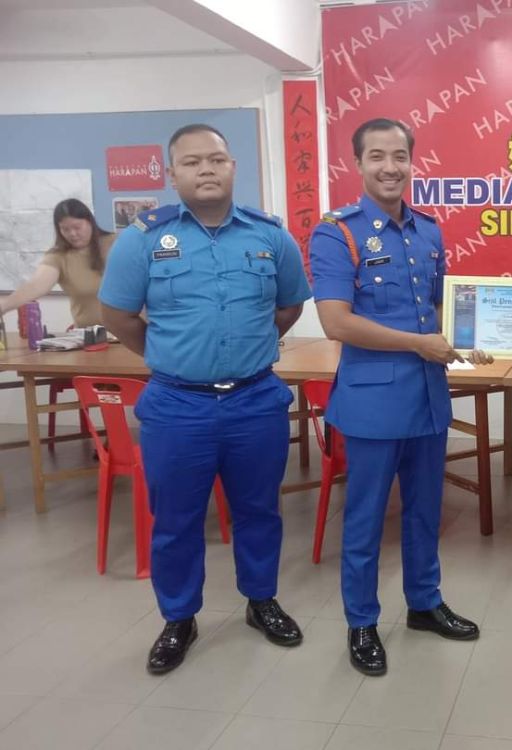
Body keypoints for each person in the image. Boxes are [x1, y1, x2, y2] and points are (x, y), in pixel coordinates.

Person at [99, 123, 313, 675]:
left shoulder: (270, 236)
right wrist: (171, 356)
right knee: (174, 518)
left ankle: (260, 600)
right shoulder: (142, 239)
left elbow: (289, 306)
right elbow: (118, 317)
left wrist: (248, 344)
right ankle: (179, 618)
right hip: (176, 405)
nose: (206, 170)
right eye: (191, 163)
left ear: (233, 165)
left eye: (216, 159)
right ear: (172, 176)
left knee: (260, 511)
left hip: (255, 400)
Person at [309, 117, 487, 677]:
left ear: (413, 162)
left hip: (429, 399)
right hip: (370, 404)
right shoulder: (335, 233)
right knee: (364, 521)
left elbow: (442, 309)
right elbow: (337, 323)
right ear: (358, 164)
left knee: (423, 513)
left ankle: (424, 604)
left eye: (401, 155)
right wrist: (422, 343)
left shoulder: (428, 230)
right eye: (378, 156)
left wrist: (487, 338)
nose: (391, 166)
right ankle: (361, 622)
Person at [0, 199, 114, 327]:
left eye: (77, 227)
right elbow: (36, 285)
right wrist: (4, 305)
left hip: (128, 336)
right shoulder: (58, 256)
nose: (73, 234)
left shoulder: (115, 243)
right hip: (90, 337)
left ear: (90, 222)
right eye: (65, 229)